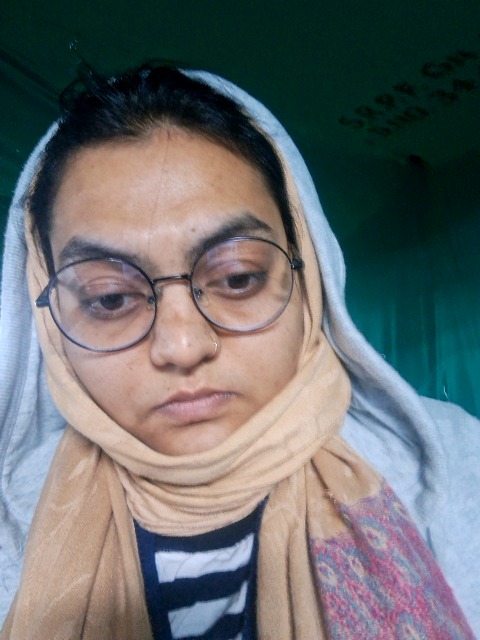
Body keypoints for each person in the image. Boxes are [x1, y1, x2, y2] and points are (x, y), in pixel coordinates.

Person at [0, 64, 478, 639]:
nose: (182, 347)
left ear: (308, 271)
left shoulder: (454, 468)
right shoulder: (13, 525)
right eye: (109, 298)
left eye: (237, 278)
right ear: (48, 314)